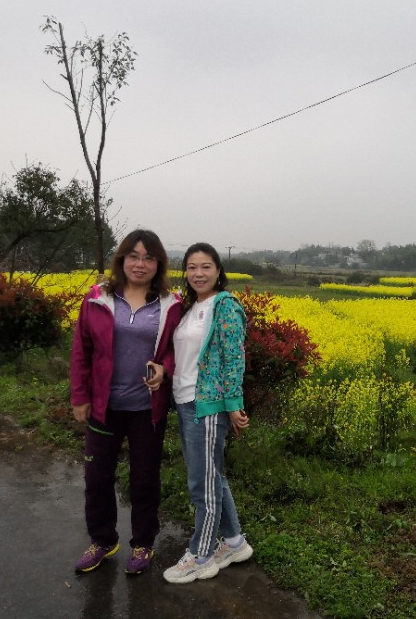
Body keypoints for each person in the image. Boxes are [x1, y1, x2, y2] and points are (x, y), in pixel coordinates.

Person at [70, 229, 183, 575]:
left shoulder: (171, 304)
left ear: (159, 264)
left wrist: (165, 370)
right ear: (122, 259)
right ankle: (103, 540)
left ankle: (143, 544)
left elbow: (178, 351)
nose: (140, 263)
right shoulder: (97, 299)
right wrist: (80, 397)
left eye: (149, 257)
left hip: (147, 410)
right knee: (97, 476)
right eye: (134, 255)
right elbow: (81, 352)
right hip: (105, 407)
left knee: (145, 479)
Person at [159, 242, 252, 584]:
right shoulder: (188, 308)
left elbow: (233, 360)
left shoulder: (224, 305)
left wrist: (234, 406)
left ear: (218, 271)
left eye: (206, 267)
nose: (198, 273)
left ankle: (201, 555)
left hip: (207, 407)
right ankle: (234, 542)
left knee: (202, 483)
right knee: (212, 476)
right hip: (185, 402)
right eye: (192, 267)